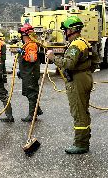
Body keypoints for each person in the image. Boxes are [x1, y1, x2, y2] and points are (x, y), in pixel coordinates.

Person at [46, 16, 98, 154]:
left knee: (79, 113)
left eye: (65, 30)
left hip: (78, 81)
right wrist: (85, 72)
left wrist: (53, 58)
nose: (64, 33)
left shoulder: (75, 45)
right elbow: (96, 60)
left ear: (71, 30)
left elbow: (69, 63)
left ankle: (81, 144)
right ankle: (84, 141)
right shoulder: (84, 42)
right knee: (83, 111)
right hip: (85, 77)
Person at [17, 23, 43, 122]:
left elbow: (32, 59)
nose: (21, 37)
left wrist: (23, 54)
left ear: (25, 35)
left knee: (31, 93)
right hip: (27, 72)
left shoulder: (31, 45)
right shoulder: (27, 44)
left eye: (22, 35)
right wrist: (21, 70)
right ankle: (37, 110)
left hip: (30, 74)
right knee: (28, 92)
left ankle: (32, 115)